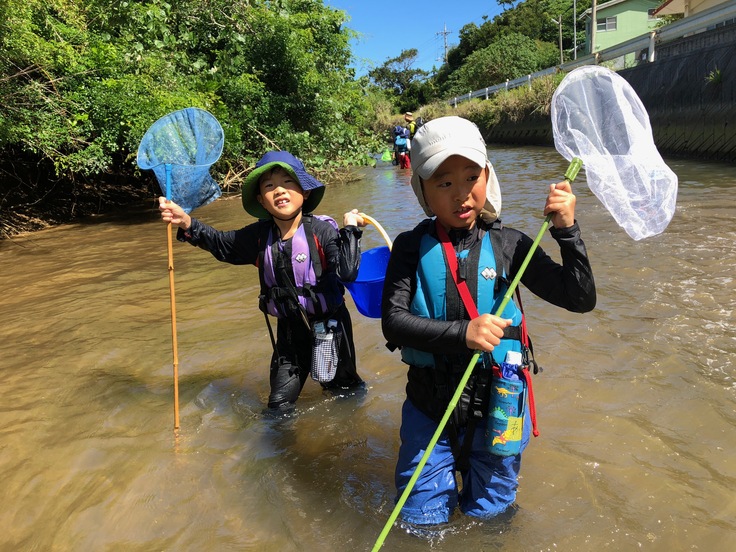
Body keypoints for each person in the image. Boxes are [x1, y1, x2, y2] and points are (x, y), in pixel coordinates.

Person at [381, 116, 596, 525]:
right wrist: (464, 333)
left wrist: (567, 231)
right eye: (444, 183)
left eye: (471, 177)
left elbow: (579, 298)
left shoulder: (510, 244)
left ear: (487, 177)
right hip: (429, 406)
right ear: (422, 190)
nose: (461, 194)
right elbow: (393, 322)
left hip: (499, 406)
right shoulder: (410, 247)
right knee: (419, 520)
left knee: (491, 521)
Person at [159, 150, 367, 414]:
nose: (279, 190)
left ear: (305, 192)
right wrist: (186, 222)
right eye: (269, 186)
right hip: (290, 334)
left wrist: (349, 229)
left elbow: (348, 272)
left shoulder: (323, 232)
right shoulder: (259, 237)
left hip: (330, 327)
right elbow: (222, 244)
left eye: (288, 182)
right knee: (278, 408)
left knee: (344, 394)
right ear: (262, 201)